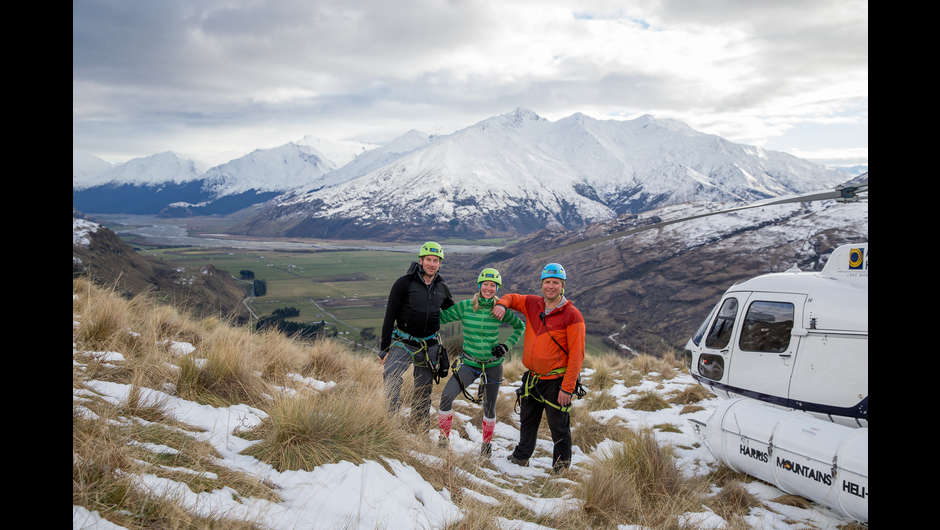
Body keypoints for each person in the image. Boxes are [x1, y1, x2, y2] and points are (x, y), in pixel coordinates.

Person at [491, 262, 585, 473]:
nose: (551, 286)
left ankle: (561, 469)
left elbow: (577, 356)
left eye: (555, 283)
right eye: (547, 282)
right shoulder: (533, 304)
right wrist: (502, 304)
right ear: (542, 284)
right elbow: (513, 298)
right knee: (528, 420)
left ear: (563, 286)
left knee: (559, 427)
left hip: (556, 381)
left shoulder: (572, 315)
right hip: (533, 378)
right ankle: (522, 457)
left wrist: (567, 388)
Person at [437, 268, 526, 457]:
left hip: (493, 365)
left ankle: (486, 444)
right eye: (485, 284)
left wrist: (506, 346)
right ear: (479, 286)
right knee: (446, 396)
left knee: (489, 406)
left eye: (492, 285)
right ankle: (443, 440)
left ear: (497, 288)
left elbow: (520, 326)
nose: (488, 288)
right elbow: (442, 318)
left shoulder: (500, 310)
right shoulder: (466, 306)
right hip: (469, 363)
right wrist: (434, 302)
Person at [379, 241, 455, 433]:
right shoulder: (403, 284)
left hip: (429, 345)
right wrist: (384, 348)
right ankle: (390, 424)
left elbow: (452, 309)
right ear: (421, 261)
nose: (431, 263)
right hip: (403, 341)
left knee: (424, 389)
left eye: (436, 260)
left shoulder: (442, 288)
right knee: (392, 376)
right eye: (428, 259)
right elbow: (390, 315)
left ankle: (419, 428)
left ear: (440, 263)